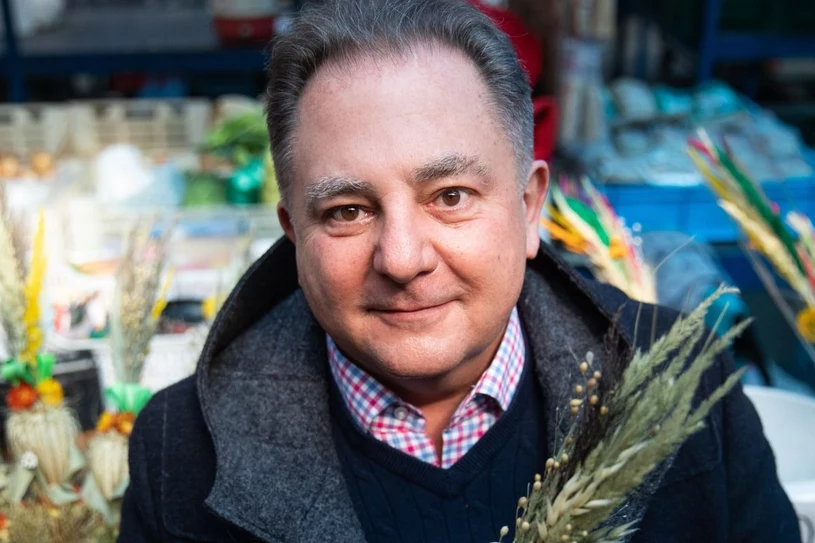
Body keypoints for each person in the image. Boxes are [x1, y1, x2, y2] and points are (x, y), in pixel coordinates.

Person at [119, 0, 800, 541]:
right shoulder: (178, 450)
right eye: (348, 211)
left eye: (450, 197)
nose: (402, 259)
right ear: (294, 231)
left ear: (528, 208)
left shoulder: (683, 379)